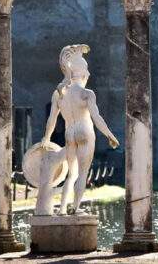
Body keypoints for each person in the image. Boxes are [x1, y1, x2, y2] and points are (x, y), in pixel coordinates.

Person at [40, 44, 119, 215]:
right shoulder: (87, 93)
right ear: (82, 73)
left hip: (70, 133)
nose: (89, 74)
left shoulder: (59, 93)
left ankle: (61, 210)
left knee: (71, 174)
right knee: (83, 173)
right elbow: (97, 118)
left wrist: (46, 138)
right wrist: (110, 135)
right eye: (87, 70)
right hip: (85, 131)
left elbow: (51, 119)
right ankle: (75, 209)